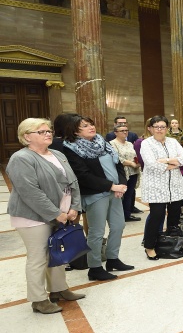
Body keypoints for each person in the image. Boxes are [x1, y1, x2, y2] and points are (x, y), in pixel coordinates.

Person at [8, 118, 84, 314]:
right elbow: (30, 192)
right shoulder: (21, 158)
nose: (48, 133)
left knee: (58, 253)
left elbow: (72, 181)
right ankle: (38, 299)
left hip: (63, 214)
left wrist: (75, 206)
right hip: (32, 217)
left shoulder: (57, 154)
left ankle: (58, 290)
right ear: (27, 137)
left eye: (48, 130)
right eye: (41, 132)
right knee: (38, 257)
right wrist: (55, 213)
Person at [62, 115, 131, 280]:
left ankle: (113, 258)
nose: (91, 127)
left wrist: (121, 185)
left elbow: (118, 164)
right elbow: (83, 175)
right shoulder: (71, 148)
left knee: (118, 225)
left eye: (91, 124)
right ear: (75, 131)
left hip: (115, 191)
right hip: (95, 194)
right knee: (96, 232)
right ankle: (94, 267)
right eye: (85, 126)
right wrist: (111, 186)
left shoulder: (102, 142)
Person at [140, 116, 183, 260]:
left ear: (167, 128)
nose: (159, 129)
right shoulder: (146, 144)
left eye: (162, 127)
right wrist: (173, 164)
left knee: (174, 215)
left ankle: (170, 242)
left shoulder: (173, 142)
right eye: (156, 127)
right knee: (157, 215)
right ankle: (149, 246)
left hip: (175, 185)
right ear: (150, 128)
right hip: (156, 186)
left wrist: (166, 161)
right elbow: (150, 163)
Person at [109, 122, 141, 222]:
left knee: (130, 193)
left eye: (126, 130)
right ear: (116, 132)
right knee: (122, 194)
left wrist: (137, 162)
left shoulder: (130, 144)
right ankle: (120, 215)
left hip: (133, 171)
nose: (125, 132)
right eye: (122, 131)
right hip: (122, 172)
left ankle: (127, 214)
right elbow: (117, 158)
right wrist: (131, 163)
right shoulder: (112, 144)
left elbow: (135, 155)